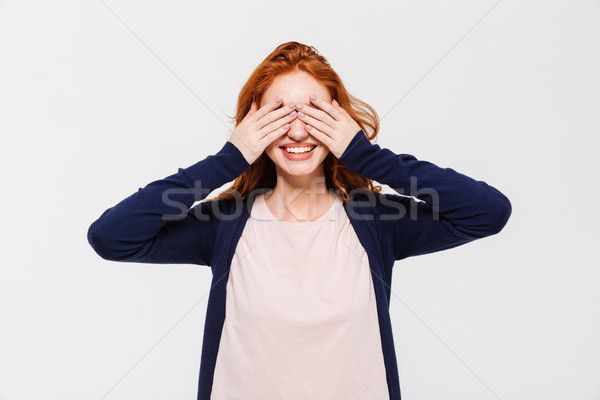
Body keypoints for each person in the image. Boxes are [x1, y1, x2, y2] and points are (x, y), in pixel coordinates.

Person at [87, 41, 512, 400]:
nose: (296, 132)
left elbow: (488, 212)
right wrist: (227, 160)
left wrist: (365, 155)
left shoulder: (375, 221)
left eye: (313, 114)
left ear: (339, 122)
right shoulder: (227, 224)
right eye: (279, 114)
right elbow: (112, 237)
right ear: (254, 123)